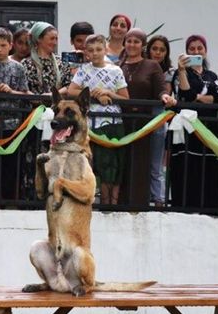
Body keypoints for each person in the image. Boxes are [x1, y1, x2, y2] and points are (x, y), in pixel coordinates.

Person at [68, 34, 129, 205]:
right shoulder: (84, 70)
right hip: (92, 124)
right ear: (86, 52)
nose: (95, 53)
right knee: (98, 162)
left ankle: (113, 202)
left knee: (115, 162)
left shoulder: (116, 70)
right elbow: (71, 91)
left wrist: (109, 93)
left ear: (105, 49)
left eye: (99, 49)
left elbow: (125, 98)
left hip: (113, 122)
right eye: (91, 50)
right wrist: (93, 92)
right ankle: (101, 200)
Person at [119, 28, 176, 207]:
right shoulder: (118, 66)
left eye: (136, 41)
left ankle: (149, 201)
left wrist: (164, 97)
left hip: (146, 123)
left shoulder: (152, 65)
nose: (132, 45)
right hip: (124, 121)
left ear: (143, 45)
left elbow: (161, 88)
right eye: (129, 41)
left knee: (146, 163)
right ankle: (121, 201)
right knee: (124, 162)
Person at [170, 35, 218, 212]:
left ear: (205, 51)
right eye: (191, 49)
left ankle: (210, 208)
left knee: (210, 168)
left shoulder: (211, 75)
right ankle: (186, 206)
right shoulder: (180, 73)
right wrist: (183, 71)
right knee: (188, 167)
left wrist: (197, 97)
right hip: (188, 130)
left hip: (209, 129)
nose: (196, 51)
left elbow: (216, 98)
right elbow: (185, 95)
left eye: (199, 48)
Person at [0, 27, 30, 201]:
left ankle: (11, 200)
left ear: (10, 45)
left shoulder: (19, 68)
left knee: (12, 165)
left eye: (3, 45)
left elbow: (26, 94)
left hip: (13, 125)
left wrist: (10, 91)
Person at [144, 35, 174, 207]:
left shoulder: (169, 72)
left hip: (158, 119)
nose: (157, 52)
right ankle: (141, 195)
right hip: (140, 118)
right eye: (154, 48)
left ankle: (158, 199)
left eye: (162, 50)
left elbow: (165, 93)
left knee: (156, 162)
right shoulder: (139, 67)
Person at [21, 22, 72, 95]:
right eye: (51, 39)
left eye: (56, 39)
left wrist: (53, 95)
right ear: (39, 39)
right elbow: (23, 88)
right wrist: (37, 99)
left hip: (57, 105)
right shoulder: (26, 63)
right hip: (33, 105)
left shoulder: (61, 62)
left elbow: (69, 85)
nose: (55, 42)